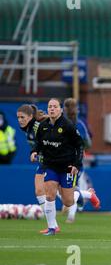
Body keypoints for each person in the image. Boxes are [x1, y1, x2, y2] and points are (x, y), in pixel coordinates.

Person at [31, 98, 84, 236]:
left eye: (55, 106)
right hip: (50, 165)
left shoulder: (68, 126)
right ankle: (52, 228)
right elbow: (39, 143)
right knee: (50, 195)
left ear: (60, 110)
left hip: (67, 166)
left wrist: (76, 164)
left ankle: (80, 195)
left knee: (68, 202)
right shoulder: (43, 126)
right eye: (50, 107)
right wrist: (34, 151)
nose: (52, 109)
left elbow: (79, 145)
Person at [17, 104, 63, 233]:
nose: (20, 120)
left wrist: (35, 151)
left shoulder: (37, 127)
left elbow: (47, 140)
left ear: (31, 116)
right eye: (18, 117)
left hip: (53, 161)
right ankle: (53, 226)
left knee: (65, 197)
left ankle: (86, 195)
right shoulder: (27, 128)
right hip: (45, 161)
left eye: (23, 117)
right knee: (39, 191)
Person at [62, 98, 100, 223]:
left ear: (63, 110)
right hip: (72, 160)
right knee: (67, 188)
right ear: (76, 110)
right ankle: (85, 196)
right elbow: (88, 143)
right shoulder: (80, 125)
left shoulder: (60, 124)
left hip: (68, 161)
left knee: (70, 188)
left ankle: (71, 215)